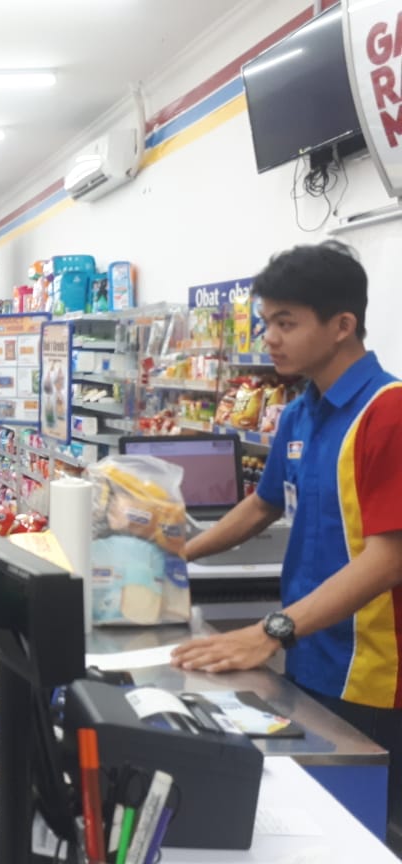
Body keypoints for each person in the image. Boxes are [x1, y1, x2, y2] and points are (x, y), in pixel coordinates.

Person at [171, 241, 402, 845]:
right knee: (312, 827)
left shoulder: (388, 413)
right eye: (266, 321)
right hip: (307, 656)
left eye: (286, 322)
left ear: (342, 325)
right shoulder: (301, 412)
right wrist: (177, 553)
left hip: (375, 675)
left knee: (369, 829)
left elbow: (389, 558)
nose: (269, 338)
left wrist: (270, 631)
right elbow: (263, 504)